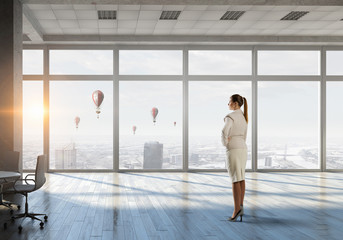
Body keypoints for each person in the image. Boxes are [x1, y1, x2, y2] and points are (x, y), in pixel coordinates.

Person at [221, 94, 248, 222]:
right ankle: (241, 207)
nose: (228, 104)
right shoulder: (243, 117)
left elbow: (224, 132)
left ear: (235, 104)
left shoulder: (230, 116)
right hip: (243, 148)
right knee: (241, 177)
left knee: (235, 179)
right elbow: (244, 135)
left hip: (234, 148)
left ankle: (236, 210)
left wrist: (226, 143)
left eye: (229, 102)